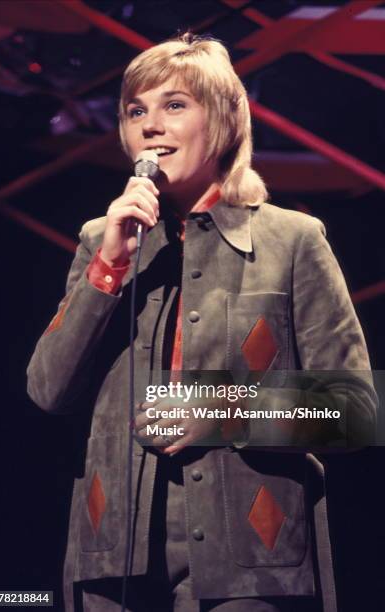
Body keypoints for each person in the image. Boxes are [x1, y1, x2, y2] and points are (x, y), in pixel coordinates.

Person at [27, 33, 376, 612]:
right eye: (136, 111)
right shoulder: (101, 241)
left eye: (174, 105)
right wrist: (109, 264)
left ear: (222, 121)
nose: (151, 126)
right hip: (113, 561)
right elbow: (46, 390)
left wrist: (223, 411)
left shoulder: (290, 240)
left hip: (252, 567)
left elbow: (355, 409)